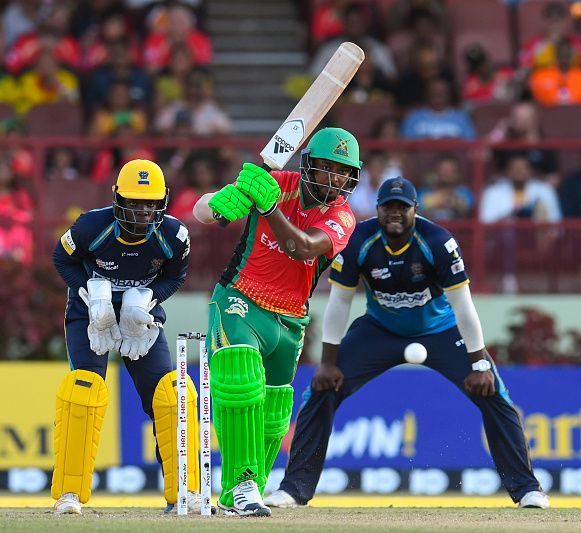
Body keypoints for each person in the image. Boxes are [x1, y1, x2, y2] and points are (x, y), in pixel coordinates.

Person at [265, 176, 550, 510]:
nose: (395, 213)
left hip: (440, 329)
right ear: (378, 210)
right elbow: (340, 302)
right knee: (320, 390)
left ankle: (527, 490)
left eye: (403, 207)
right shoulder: (359, 239)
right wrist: (328, 362)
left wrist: (480, 364)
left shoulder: (438, 242)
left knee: (494, 394)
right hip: (380, 329)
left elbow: (463, 306)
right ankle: (294, 490)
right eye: (388, 207)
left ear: (416, 209)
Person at [193, 127, 362, 516]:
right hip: (240, 298)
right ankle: (243, 484)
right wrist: (222, 200)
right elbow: (203, 213)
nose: (337, 179)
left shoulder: (342, 215)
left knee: (273, 413)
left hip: (290, 320)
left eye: (345, 172)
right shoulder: (276, 184)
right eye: (330, 169)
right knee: (240, 383)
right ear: (310, 166)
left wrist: (268, 210)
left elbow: (303, 248)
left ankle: (242, 492)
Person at [51, 159, 200, 516]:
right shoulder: (91, 226)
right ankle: (69, 493)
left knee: (171, 393)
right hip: (92, 315)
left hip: (140, 318)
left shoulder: (175, 237)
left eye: (149, 203)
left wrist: (149, 298)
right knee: (83, 389)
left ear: (162, 201)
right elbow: (62, 259)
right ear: (118, 199)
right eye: (134, 202)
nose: (142, 211)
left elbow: (176, 276)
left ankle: (185, 492)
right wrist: (87, 291)